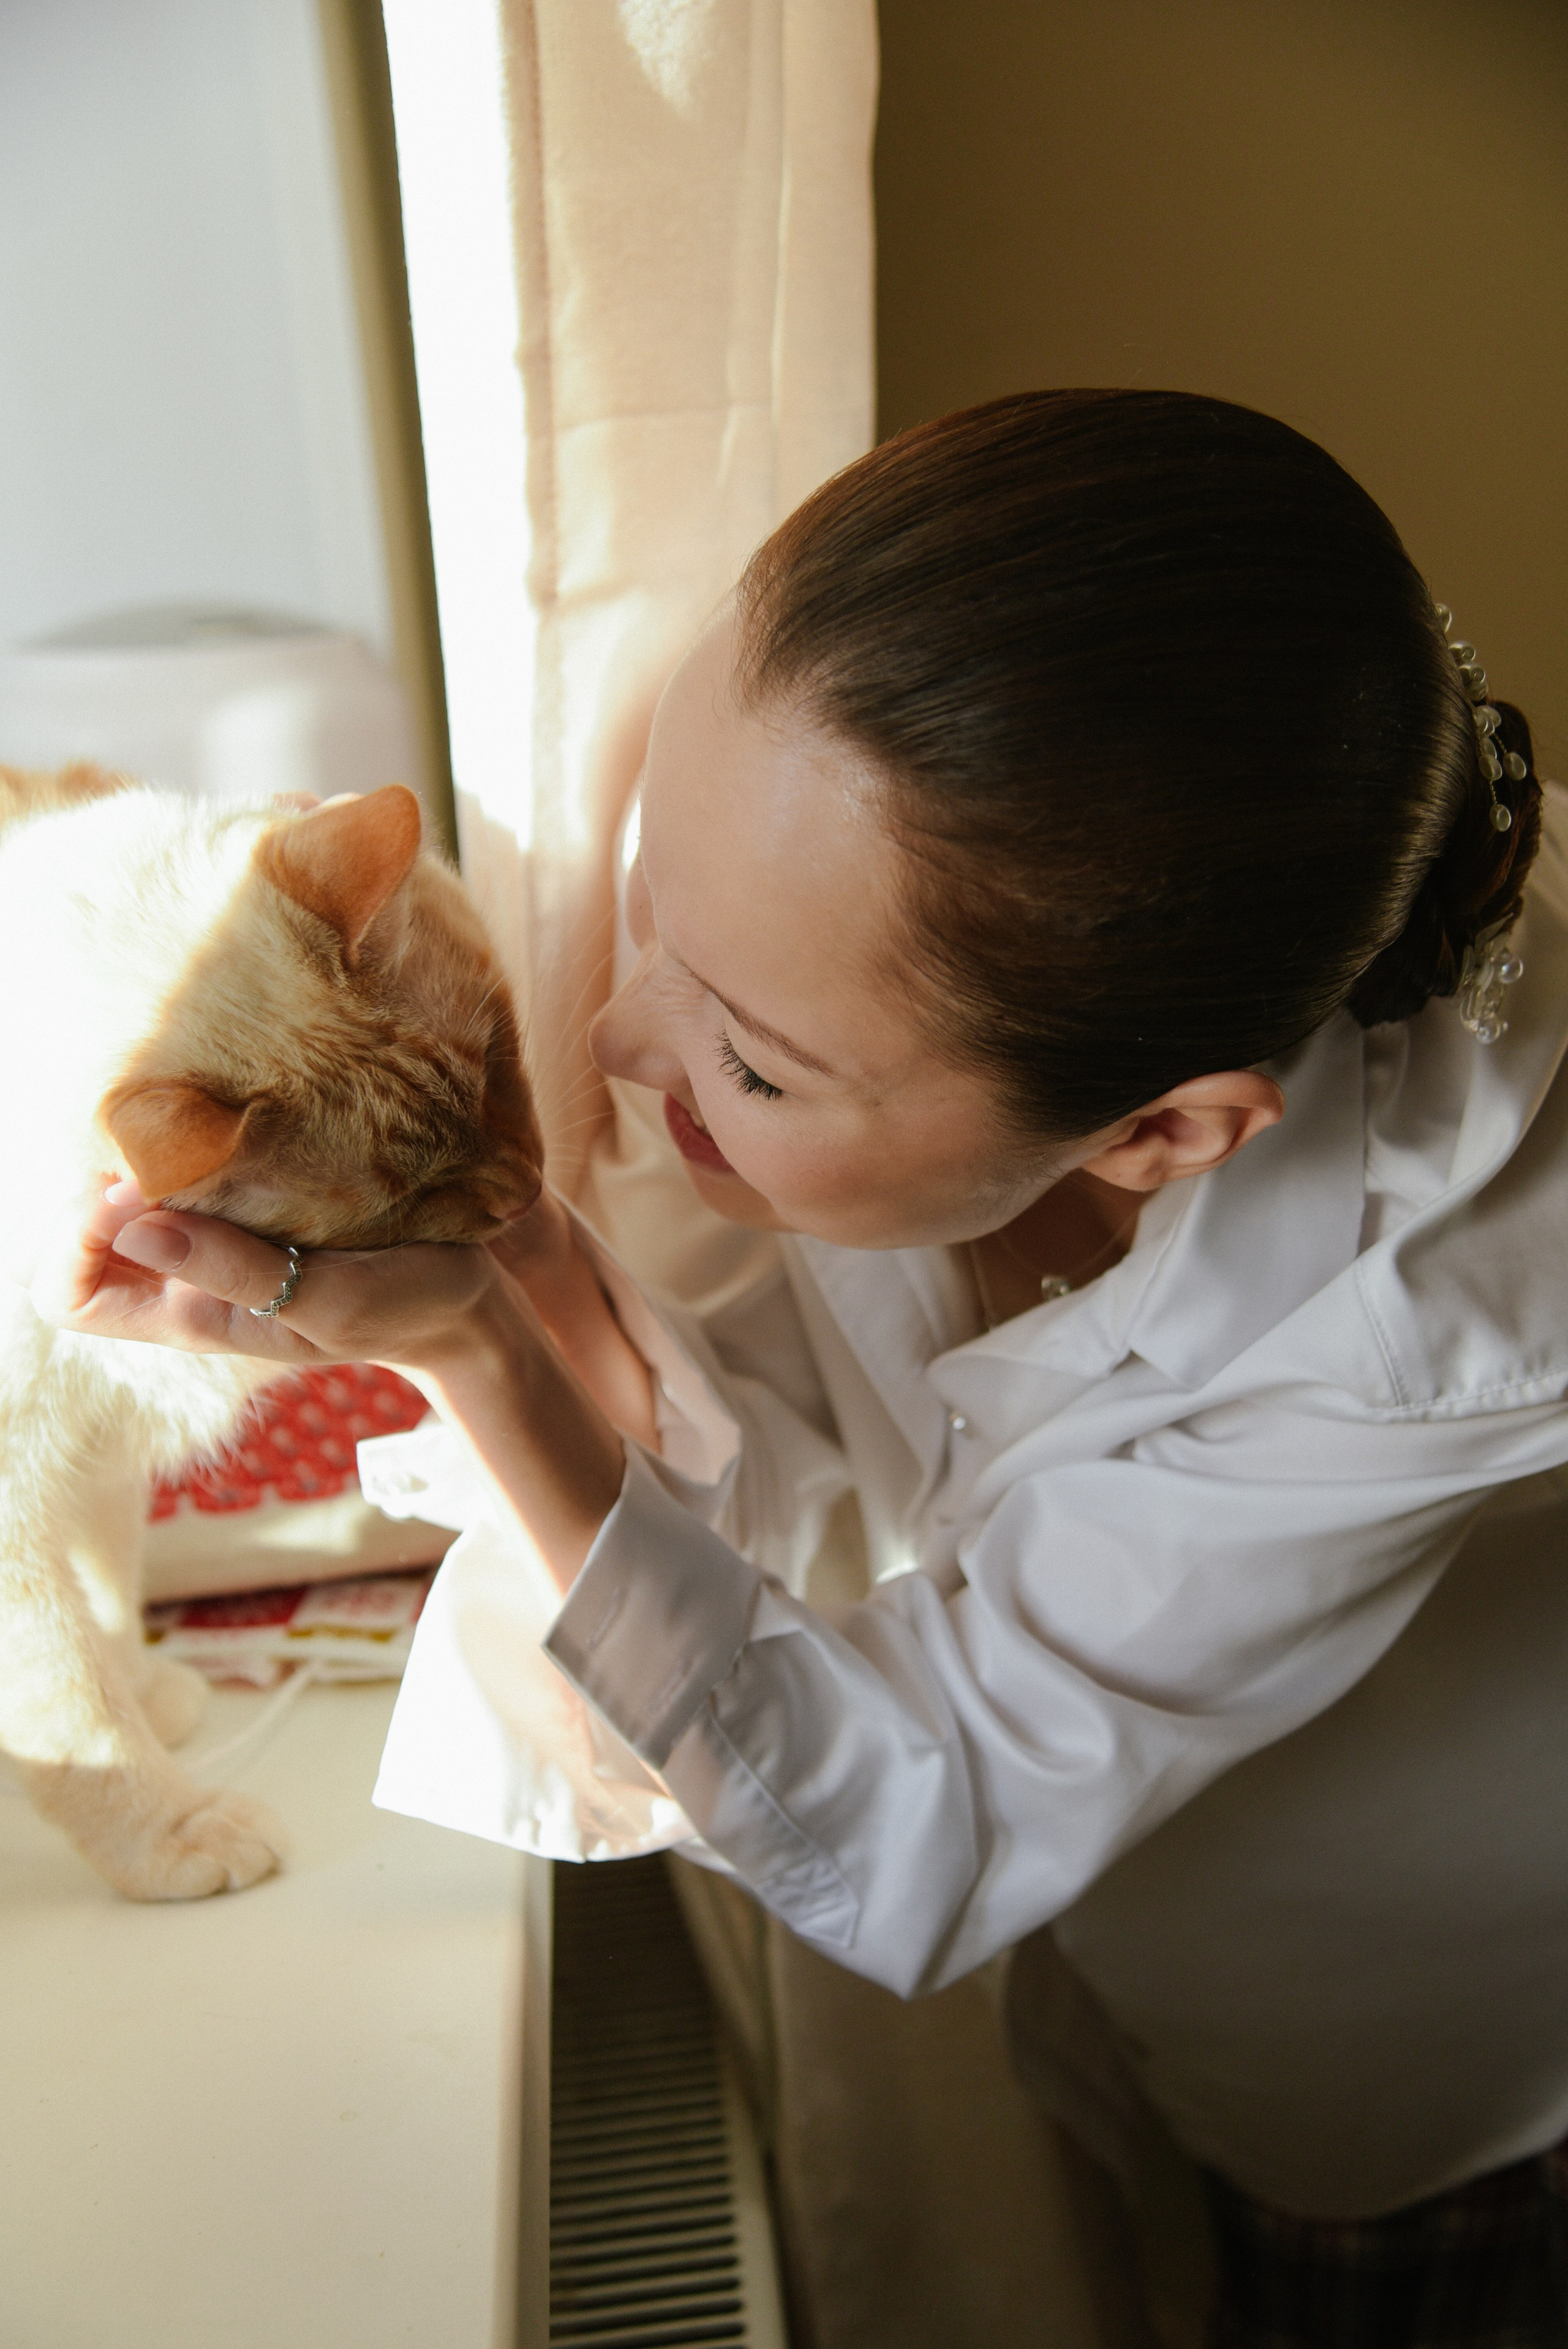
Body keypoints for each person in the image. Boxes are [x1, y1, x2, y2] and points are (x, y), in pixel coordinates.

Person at [42, 391, 1568, 2343]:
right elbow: (803, 1451)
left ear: (1162, 1135)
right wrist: (515, 1259)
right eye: (655, 895)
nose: (621, 1040)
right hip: (1138, 1934)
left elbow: (921, 1808)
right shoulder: (898, 864)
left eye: (753, 1064)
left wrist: (482, 1355)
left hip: (1414, 2023)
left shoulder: (1423, 1339)